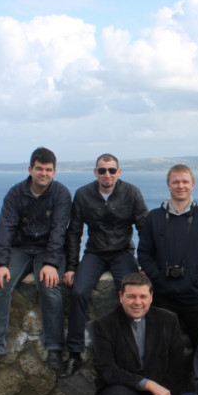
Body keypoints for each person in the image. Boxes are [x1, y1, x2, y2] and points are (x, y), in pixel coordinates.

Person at [0, 147, 71, 370]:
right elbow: (5, 227)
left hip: (47, 249)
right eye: (39, 169)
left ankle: (54, 348)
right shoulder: (16, 193)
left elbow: (59, 230)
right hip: (20, 247)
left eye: (48, 170)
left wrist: (51, 263)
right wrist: (1, 263)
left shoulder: (61, 194)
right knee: (0, 284)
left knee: (50, 287)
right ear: (30, 169)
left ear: (54, 172)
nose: (44, 173)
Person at [61, 153, 148, 377]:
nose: (107, 174)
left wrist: (146, 263)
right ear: (95, 172)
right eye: (102, 170)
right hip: (95, 253)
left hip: (122, 252)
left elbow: (145, 229)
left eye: (111, 170)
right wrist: (71, 266)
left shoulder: (131, 193)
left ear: (119, 172)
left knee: (131, 295)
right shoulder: (84, 194)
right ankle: (75, 353)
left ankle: (132, 350)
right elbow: (74, 232)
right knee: (78, 292)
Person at [92, 272, 187, 395]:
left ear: (151, 296)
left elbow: (177, 366)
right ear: (121, 297)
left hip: (158, 391)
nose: (137, 302)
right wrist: (148, 384)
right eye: (131, 296)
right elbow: (107, 369)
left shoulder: (168, 320)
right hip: (123, 387)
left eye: (143, 296)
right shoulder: (104, 325)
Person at [137, 164, 198, 352]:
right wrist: (157, 278)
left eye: (185, 181)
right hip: (163, 296)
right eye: (176, 182)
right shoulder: (154, 217)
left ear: (193, 185)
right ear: (168, 185)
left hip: (197, 296)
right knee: (162, 349)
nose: (180, 186)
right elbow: (144, 253)